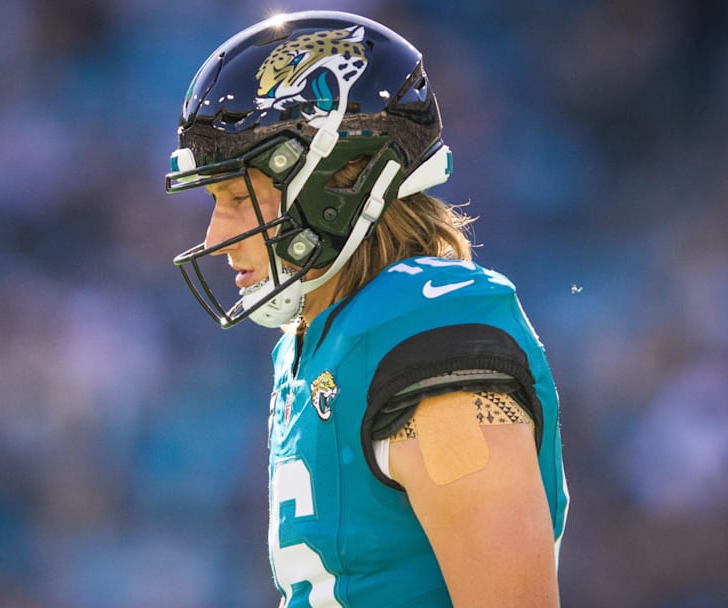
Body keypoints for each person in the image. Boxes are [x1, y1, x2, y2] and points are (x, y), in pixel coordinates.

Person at [163, 10, 568, 608]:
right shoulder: (319, 340)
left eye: (237, 196)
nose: (218, 232)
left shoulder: (426, 337)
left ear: (338, 176)